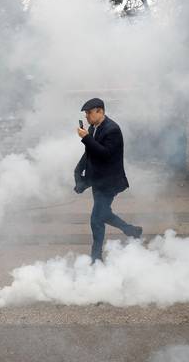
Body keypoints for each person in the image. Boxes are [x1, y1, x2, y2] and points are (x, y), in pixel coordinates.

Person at [74, 98, 142, 262]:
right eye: (86, 113)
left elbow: (104, 154)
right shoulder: (93, 128)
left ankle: (96, 258)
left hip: (110, 182)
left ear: (100, 111)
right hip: (97, 180)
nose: (87, 116)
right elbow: (90, 152)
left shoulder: (112, 130)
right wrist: (78, 170)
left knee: (96, 219)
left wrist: (86, 138)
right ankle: (131, 231)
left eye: (89, 113)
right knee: (103, 213)